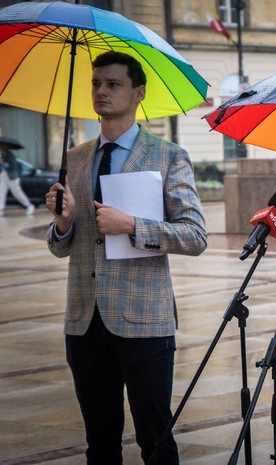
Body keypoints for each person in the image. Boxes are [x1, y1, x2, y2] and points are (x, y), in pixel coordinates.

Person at [44, 51, 207, 464]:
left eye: (113, 84)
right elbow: (60, 246)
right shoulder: (75, 158)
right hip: (84, 321)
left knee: (156, 440)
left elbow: (195, 236)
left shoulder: (168, 155)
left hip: (145, 320)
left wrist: (132, 225)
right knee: (99, 445)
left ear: (138, 93)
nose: (101, 91)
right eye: (96, 83)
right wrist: (63, 222)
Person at [0, 136, 36, 216]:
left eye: (1, 146)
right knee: (1, 192)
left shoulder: (10, 155)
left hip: (12, 177)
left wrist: (3, 163)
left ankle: (29, 206)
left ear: (5, 147)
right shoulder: (2, 155)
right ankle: (1, 209)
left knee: (17, 192)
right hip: (3, 176)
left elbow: (12, 166)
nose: (0, 147)